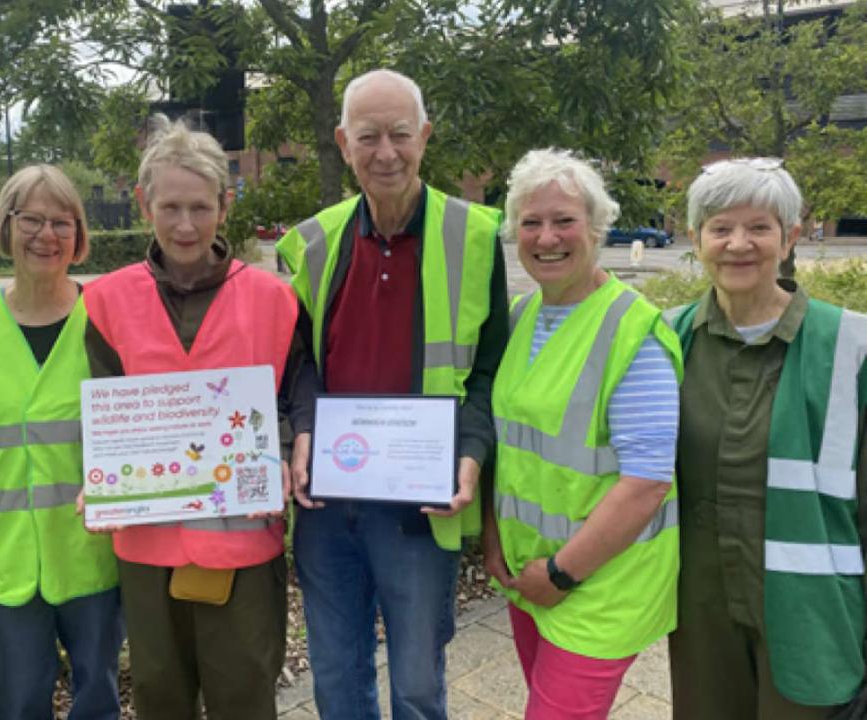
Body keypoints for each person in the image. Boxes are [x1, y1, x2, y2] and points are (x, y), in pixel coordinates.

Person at [276, 69, 509, 720]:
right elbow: (298, 363)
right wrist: (303, 428)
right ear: (343, 141)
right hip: (328, 506)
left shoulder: (476, 237)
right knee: (337, 680)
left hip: (417, 506)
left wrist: (471, 450)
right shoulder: (312, 242)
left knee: (414, 684)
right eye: (369, 136)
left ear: (425, 137)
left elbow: (490, 369)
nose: (386, 153)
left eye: (400, 135)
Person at [82, 114, 311, 720]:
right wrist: (100, 480)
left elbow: (299, 397)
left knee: (244, 697)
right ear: (143, 204)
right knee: (160, 698)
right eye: (171, 206)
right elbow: (102, 409)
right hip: (147, 544)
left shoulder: (275, 300)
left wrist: (296, 446)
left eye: (201, 207)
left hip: (243, 544)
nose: (186, 224)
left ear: (225, 205)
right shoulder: (105, 301)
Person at [482, 148, 682, 719]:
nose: (548, 237)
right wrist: (493, 538)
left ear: (596, 228)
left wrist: (563, 573)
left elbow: (646, 482)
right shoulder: (522, 317)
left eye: (564, 220)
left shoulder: (632, 331)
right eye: (531, 222)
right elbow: (510, 445)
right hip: (531, 574)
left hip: (598, 583)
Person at [667, 157, 867, 718]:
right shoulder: (667, 342)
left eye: (759, 227)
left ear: (790, 237)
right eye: (720, 228)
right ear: (694, 238)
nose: (739, 244)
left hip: (816, 619)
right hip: (701, 615)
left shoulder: (850, 346)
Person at [0, 165, 123, 719]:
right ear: (6, 226)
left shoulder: (107, 320)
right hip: (2, 553)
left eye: (62, 222)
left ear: (79, 237)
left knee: (96, 696)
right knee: (19, 700)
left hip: (90, 548)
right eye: (30, 219)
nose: (46, 235)